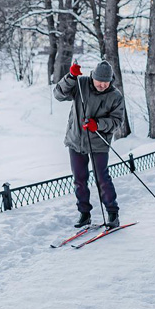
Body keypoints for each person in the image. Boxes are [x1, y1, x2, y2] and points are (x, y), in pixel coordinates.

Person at [53, 60, 126, 229]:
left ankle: (112, 213)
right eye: (99, 80)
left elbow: (117, 121)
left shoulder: (115, 96)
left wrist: (98, 124)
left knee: (102, 178)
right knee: (80, 179)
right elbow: (58, 94)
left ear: (111, 80)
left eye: (106, 81)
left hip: (98, 141)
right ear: (93, 76)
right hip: (76, 140)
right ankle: (84, 214)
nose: (102, 84)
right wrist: (71, 76)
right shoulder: (81, 83)